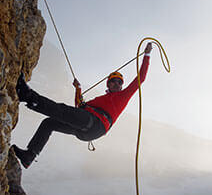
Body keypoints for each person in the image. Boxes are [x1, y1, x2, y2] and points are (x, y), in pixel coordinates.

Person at [11, 42, 152, 168]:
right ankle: (29, 156)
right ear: (108, 83)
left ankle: (27, 95)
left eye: (119, 82)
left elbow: (141, 78)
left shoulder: (123, 96)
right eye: (113, 81)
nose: (116, 83)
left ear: (122, 86)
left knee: (62, 111)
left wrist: (147, 54)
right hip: (88, 129)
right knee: (49, 123)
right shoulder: (99, 100)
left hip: (96, 124)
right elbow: (79, 106)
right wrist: (78, 89)